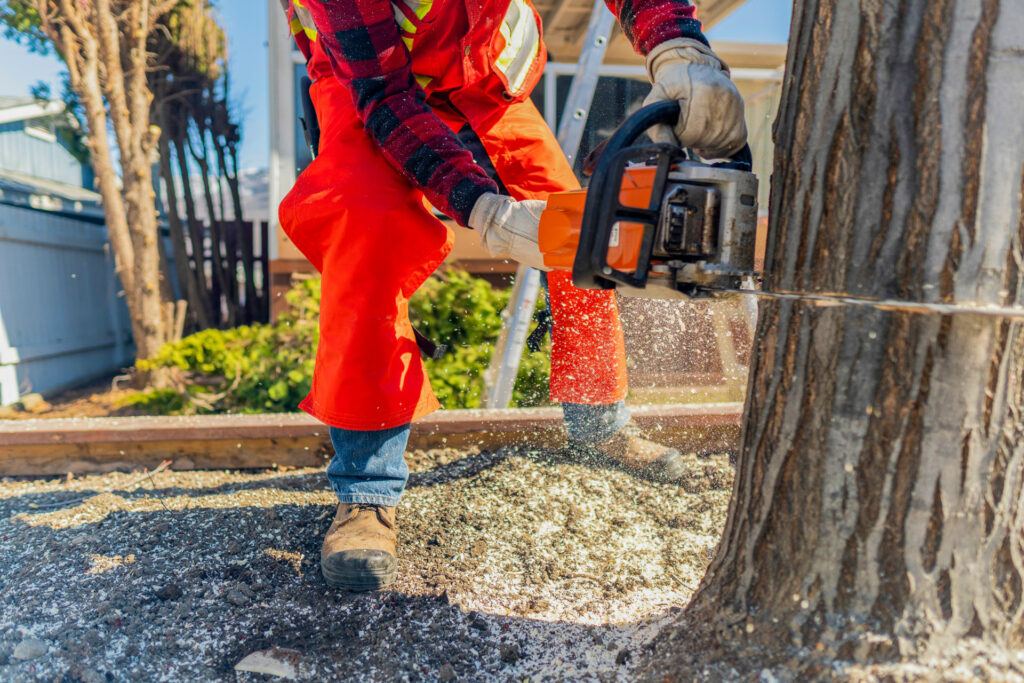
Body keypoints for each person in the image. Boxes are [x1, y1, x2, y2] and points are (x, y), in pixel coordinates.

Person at [276, 0, 747, 591]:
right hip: (372, 90)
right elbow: (386, 97)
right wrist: (484, 209)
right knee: (364, 234)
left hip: (482, 80)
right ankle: (366, 487)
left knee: (580, 222)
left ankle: (601, 428)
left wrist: (677, 48)